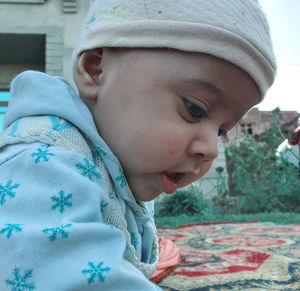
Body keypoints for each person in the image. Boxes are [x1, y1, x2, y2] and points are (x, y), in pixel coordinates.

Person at [0, 0, 276, 290]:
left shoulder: (117, 165)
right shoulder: (42, 161)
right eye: (195, 109)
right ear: (96, 71)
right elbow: (67, 271)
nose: (211, 149)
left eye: (221, 131)